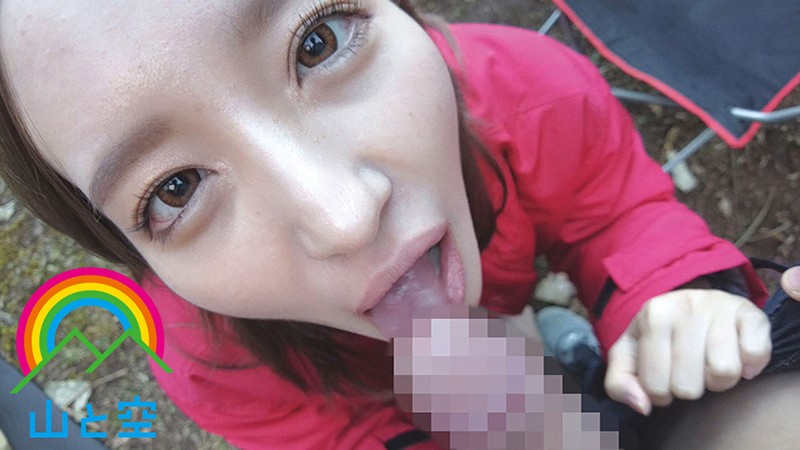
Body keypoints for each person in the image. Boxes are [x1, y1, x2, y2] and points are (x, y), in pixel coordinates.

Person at [0, 0, 781, 448]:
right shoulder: (209, 357)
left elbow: (614, 212)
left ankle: (560, 355)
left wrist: (674, 293)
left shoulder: (531, 93)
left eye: (317, 42)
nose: (344, 217)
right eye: (174, 188)